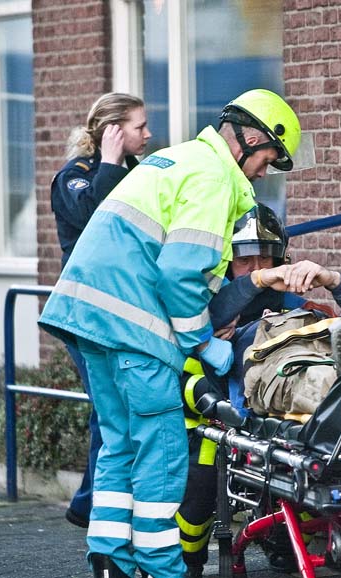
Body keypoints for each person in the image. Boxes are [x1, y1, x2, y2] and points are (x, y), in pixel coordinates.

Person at [39, 89, 302, 578]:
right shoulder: (213, 179)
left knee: (118, 445)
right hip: (133, 328)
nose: (267, 171)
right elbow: (180, 275)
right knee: (160, 456)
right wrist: (202, 341)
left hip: (88, 316)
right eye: (269, 157)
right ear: (248, 138)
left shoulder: (174, 159)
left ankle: (110, 561)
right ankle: (163, 569)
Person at [176, 202, 341, 578]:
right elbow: (202, 327)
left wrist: (333, 280)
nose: (258, 269)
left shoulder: (295, 304)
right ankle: (187, 564)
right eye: (245, 261)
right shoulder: (206, 304)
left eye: (266, 258)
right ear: (227, 262)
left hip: (301, 391)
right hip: (228, 405)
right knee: (198, 491)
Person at [51, 92, 151, 529]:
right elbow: (95, 216)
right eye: (138, 127)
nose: (148, 134)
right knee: (109, 408)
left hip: (120, 308)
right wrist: (109, 161)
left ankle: (91, 503)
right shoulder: (74, 177)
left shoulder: (135, 172)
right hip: (84, 313)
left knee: (112, 408)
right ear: (112, 131)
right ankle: (92, 505)